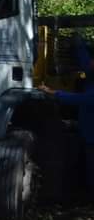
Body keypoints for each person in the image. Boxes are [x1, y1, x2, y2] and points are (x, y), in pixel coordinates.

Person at [38, 36, 94, 194]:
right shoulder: (91, 80)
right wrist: (79, 44)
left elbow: (78, 99)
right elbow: (86, 64)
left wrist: (53, 93)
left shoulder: (91, 89)